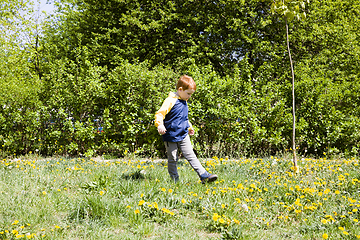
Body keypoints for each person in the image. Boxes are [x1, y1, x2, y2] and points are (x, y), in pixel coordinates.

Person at [155, 75, 218, 183]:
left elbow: (183, 117)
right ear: (180, 89)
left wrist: (189, 127)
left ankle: (203, 175)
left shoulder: (184, 101)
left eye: (191, 94)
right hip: (170, 135)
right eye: (188, 93)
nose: (189, 96)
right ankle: (175, 181)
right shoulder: (170, 101)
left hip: (183, 134)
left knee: (191, 155)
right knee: (173, 159)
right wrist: (159, 125)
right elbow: (160, 114)